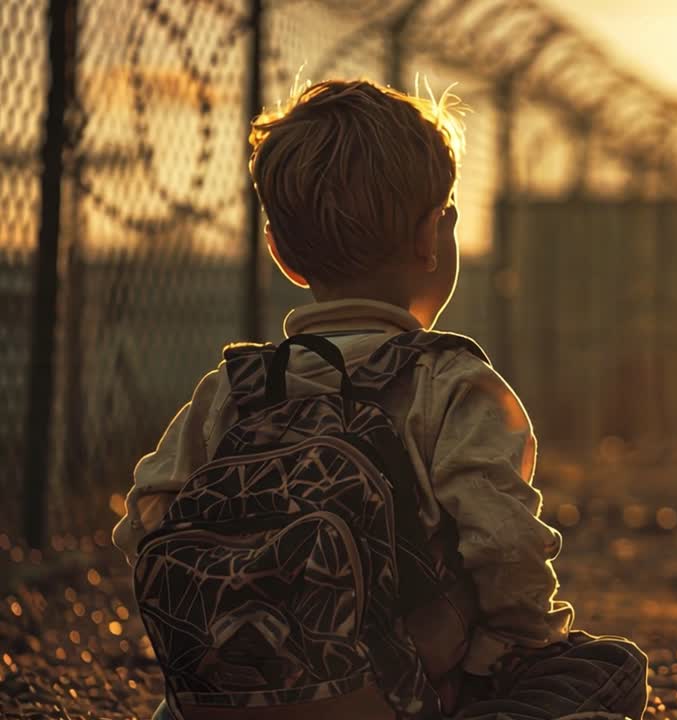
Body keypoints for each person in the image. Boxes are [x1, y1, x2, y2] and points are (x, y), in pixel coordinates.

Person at [111, 79, 649, 720]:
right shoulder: (447, 382)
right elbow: (504, 541)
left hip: (228, 692)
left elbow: (146, 517)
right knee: (609, 669)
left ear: (281, 253)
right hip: (397, 693)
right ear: (433, 236)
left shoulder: (233, 387)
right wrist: (518, 643)